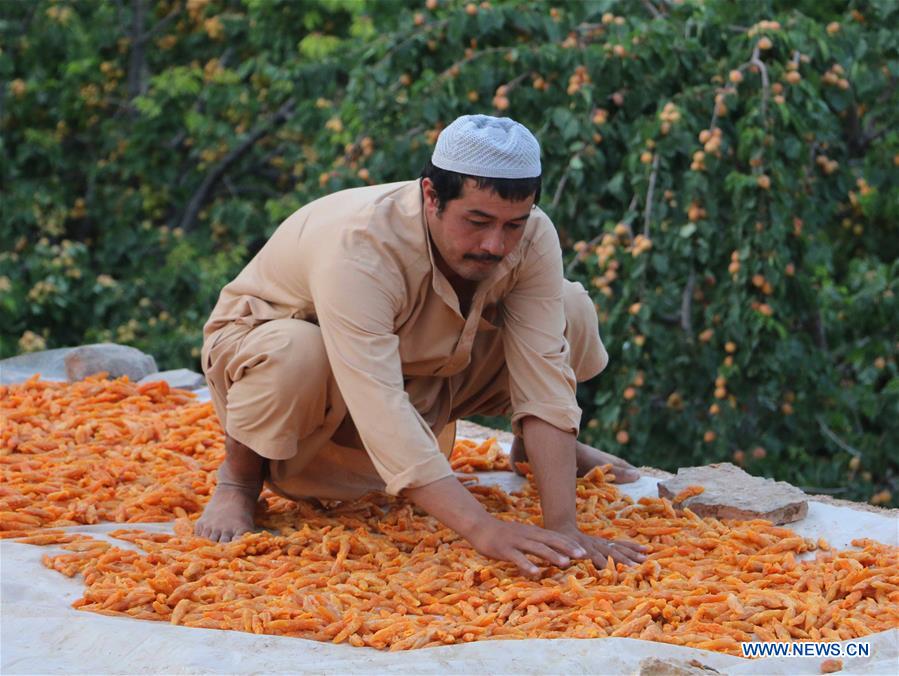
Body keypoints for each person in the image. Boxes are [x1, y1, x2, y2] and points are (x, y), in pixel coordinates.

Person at [196, 114, 646, 576]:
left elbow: (544, 369)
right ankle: (238, 481)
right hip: (290, 360)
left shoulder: (532, 236)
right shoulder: (362, 245)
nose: (495, 244)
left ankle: (533, 447)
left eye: (513, 224)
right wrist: (482, 528)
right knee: (297, 351)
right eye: (477, 221)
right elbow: (379, 401)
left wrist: (564, 529)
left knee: (570, 308)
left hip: (426, 362)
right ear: (431, 196)